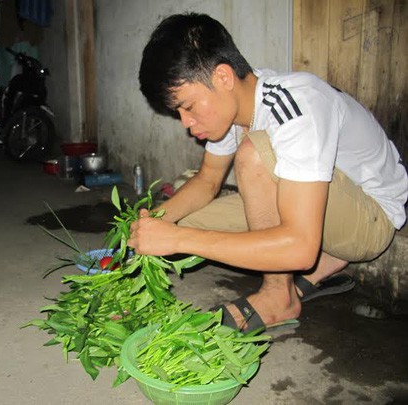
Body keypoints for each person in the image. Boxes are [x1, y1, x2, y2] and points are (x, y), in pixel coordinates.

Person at [127, 13, 408, 332]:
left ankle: (279, 297)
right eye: (177, 113)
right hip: (322, 205)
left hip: (371, 217)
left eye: (189, 107)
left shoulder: (294, 106)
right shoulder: (237, 108)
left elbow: (300, 249)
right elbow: (207, 182)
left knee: (253, 155)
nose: (186, 124)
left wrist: (179, 239)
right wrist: (153, 224)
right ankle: (323, 264)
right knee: (187, 219)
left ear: (222, 77)